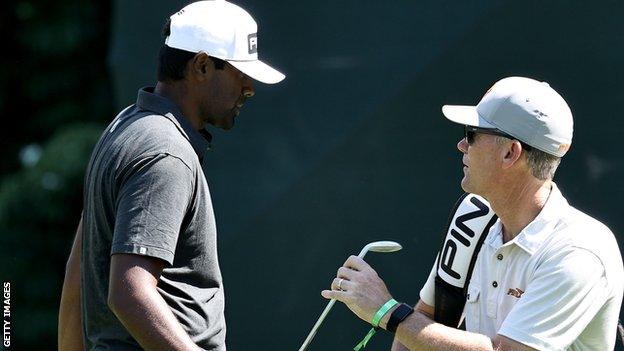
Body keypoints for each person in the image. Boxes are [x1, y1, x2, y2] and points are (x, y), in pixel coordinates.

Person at [322, 77, 624, 350]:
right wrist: (397, 318)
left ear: (510, 153)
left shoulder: (579, 253)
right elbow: (427, 318)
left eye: (472, 134)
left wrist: (387, 311)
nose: (461, 144)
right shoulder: (474, 214)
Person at [58, 1, 284, 350]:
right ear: (203, 65)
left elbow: (82, 261)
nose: (250, 87)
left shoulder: (126, 125)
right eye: (241, 73)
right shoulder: (167, 153)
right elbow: (130, 293)